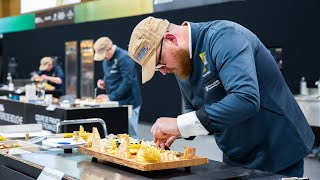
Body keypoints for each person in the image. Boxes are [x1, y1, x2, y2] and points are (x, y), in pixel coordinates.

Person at [128, 16, 314, 177]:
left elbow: (245, 99)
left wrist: (179, 124)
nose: (163, 72)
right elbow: (193, 106)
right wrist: (178, 131)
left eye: (160, 63)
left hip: (277, 152)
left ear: (170, 39)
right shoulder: (181, 63)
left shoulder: (223, 37)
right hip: (237, 156)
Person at [93, 37, 142, 138]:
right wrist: (104, 82)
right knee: (116, 134)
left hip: (129, 103)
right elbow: (109, 76)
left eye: (104, 55)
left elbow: (128, 81)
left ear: (110, 49)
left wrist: (110, 97)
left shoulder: (124, 57)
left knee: (130, 136)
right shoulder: (106, 60)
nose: (104, 58)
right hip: (115, 102)